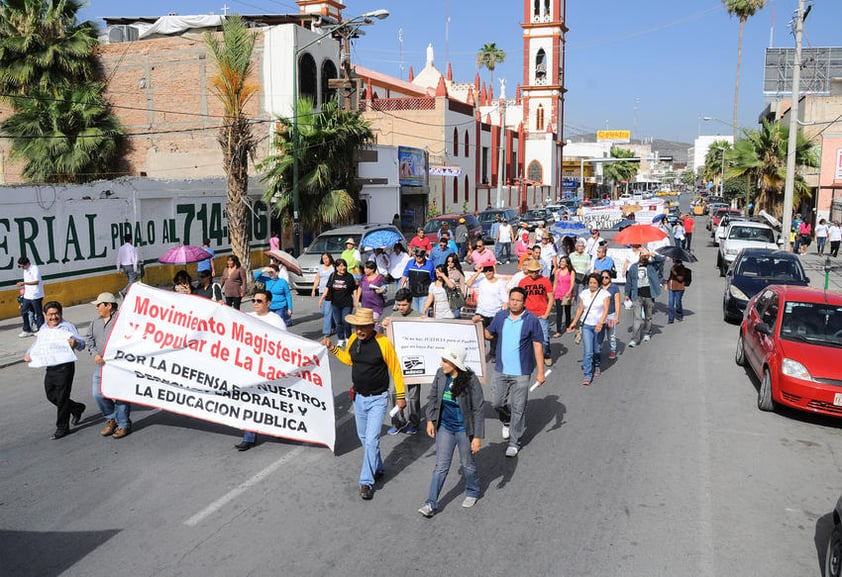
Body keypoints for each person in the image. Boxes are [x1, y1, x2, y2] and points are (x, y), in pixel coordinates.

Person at [323, 308, 406, 501]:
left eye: (362, 327)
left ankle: (366, 482)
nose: (358, 330)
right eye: (356, 327)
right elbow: (348, 360)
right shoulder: (353, 340)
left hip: (378, 399)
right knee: (364, 437)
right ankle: (377, 467)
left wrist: (401, 396)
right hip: (359, 398)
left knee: (371, 440)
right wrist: (332, 348)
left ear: (371, 326)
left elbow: (396, 369)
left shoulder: (383, 343)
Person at [417, 345, 484, 517]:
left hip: (463, 429)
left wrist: (477, 437)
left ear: (455, 363)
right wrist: (431, 421)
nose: (442, 363)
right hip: (445, 428)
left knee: (467, 464)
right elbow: (432, 398)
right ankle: (431, 503)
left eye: (446, 361)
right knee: (440, 466)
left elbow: (478, 408)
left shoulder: (470, 380)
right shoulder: (441, 375)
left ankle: (473, 491)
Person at [485, 288, 546, 458]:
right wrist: (477, 324)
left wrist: (540, 373)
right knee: (496, 403)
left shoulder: (531, 320)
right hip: (501, 370)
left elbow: (537, 346)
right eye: (512, 299)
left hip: (521, 372)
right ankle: (506, 420)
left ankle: (514, 442)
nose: (514, 303)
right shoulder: (500, 316)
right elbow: (489, 335)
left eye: (518, 300)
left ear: (524, 302)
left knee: (519, 408)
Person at [23, 301, 86, 440]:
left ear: (61, 314)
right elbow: (38, 344)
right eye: (50, 314)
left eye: (56, 314)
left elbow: (82, 343)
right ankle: (76, 408)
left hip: (65, 367)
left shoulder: (67, 327)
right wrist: (29, 353)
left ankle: (62, 427)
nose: (53, 317)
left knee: (62, 397)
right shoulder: (44, 327)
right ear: (45, 315)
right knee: (51, 395)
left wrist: (75, 343)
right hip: (50, 366)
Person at [234, 289, 287, 451]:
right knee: (250, 402)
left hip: (269, 370)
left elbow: (286, 345)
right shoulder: (248, 317)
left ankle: (280, 428)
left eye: (259, 301)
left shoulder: (276, 321)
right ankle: (249, 437)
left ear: (268, 303)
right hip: (251, 369)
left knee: (271, 402)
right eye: (254, 301)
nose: (255, 304)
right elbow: (230, 318)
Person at [87, 292, 132, 439]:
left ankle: (123, 424)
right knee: (98, 393)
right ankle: (111, 418)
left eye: (99, 305)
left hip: (120, 364)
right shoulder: (95, 323)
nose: (97, 308)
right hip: (102, 365)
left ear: (109, 305)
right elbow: (89, 340)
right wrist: (95, 354)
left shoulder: (122, 320)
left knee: (120, 395)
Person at [381, 289, 422, 436]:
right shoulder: (393, 316)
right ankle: (398, 421)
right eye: (398, 304)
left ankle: (414, 421)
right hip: (396, 362)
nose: (401, 307)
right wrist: (385, 326)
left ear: (410, 303)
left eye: (404, 305)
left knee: (413, 395)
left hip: (414, 361)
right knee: (393, 392)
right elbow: (388, 339)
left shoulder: (419, 317)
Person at [567, 273, 610, 386]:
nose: (592, 285)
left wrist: (601, 323)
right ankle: (587, 374)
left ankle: (596, 365)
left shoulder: (604, 294)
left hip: (598, 326)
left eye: (594, 283)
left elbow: (605, 310)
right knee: (588, 351)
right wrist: (574, 322)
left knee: (597, 349)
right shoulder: (584, 293)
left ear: (599, 283)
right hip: (586, 325)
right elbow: (580, 308)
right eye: (590, 283)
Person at [518, 259, 554, 365]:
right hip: (528, 314)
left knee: (545, 338)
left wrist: (547, 313)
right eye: (532, 271)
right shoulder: (523, 282)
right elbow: (520, 298)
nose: (534, 274)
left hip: (541, 313)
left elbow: (551, 298)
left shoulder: (545, 281)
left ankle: (546, 354)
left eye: (536, 271)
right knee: (526, 338)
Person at [624, 252, 664, 348]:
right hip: (637, 295)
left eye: (646, 255)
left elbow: (661, 260)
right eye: (642, 255)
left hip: (649, 295)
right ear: (639, 256)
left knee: (648, 316)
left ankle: (647, 333)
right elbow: (629, 281)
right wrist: (626, 294)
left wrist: (652, 254)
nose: (644, 257)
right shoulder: (633, 267)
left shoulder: (651, 266)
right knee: (637, 318)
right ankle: (635, 339)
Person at [325, 258, 357, 348]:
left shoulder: (349, 276)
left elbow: (354, 289)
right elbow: (327, 288)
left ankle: (348, 338)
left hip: (347, 303)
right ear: (336, 267)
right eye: (340, 266)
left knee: (345, 321)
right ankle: (341, 339)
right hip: (335, 303)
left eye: (344, 265)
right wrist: (322, 298)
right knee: (338, 322)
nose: (342, 268)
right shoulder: (333, 276)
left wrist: (356, 301)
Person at [16, 256, 44, 337]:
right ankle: (27, 329)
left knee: (38, 313)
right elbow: (27, 281)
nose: (21, 268)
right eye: (20, 266)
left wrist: (24, 283)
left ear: (27, 263)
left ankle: (41, 330)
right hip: (27, 296)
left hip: (36, 295)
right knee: (23, 311)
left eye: (22, 266)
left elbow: (36, 282)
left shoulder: (35, 268)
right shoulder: (25, 270)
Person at [401, 248, 435, 313]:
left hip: (425, 294)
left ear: (424, 256)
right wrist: (402, 286)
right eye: (417, 256)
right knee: (415, 314)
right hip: (412, 293)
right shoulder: (410, 263)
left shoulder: (430, 264)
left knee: (423, 313)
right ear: (415, 256)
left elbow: (432, 279)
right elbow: (405, 275)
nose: (419, 258)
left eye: (421, 256)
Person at [598, 270, 622, 359]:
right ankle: (598, 351)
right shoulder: (599, 287)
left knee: (611, 335)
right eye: (602, 277)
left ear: (610, 278)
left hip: (610, 315)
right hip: (600, 315)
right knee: (599, 334)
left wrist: (617, 317)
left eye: (606, 277)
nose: (604, 279)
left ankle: (612, 350)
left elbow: (617, 303)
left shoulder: (614, 288)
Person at [312, 252, 335, 338]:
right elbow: (317, 279)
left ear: (330, 258)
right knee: (323, 311)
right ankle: (333, 324)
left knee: (327, 312)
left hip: (330, 292)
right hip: (321, 291)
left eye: (327, 258)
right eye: (324, 258)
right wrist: (314, 289)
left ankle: (326, 332)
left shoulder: (333, 267)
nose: (325, 260)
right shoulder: (320, 267)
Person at [552, 255, 575, 338]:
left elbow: (572, 283)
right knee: (559, 312)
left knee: (567, 311)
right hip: (558, 293)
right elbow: (555, 283)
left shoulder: (571, 272)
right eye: (561, 261)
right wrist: (553, 293)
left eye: (563, 262)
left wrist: (569, 292)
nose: (561, 263)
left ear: (567, 263)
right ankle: (558, 331)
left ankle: (568, 326)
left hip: (567, 294)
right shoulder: (557, 271)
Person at [666, 259, 688, 324]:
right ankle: (671, 318)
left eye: (676, 262)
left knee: (678, 303)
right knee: (670, 303)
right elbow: (670, 277)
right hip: (671, 287)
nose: (674, 263)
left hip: (679, 288)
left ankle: (680, 314)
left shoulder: (682, 268)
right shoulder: (673, 267)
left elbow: (680, 279)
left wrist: (674, 272)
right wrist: (667, 284)